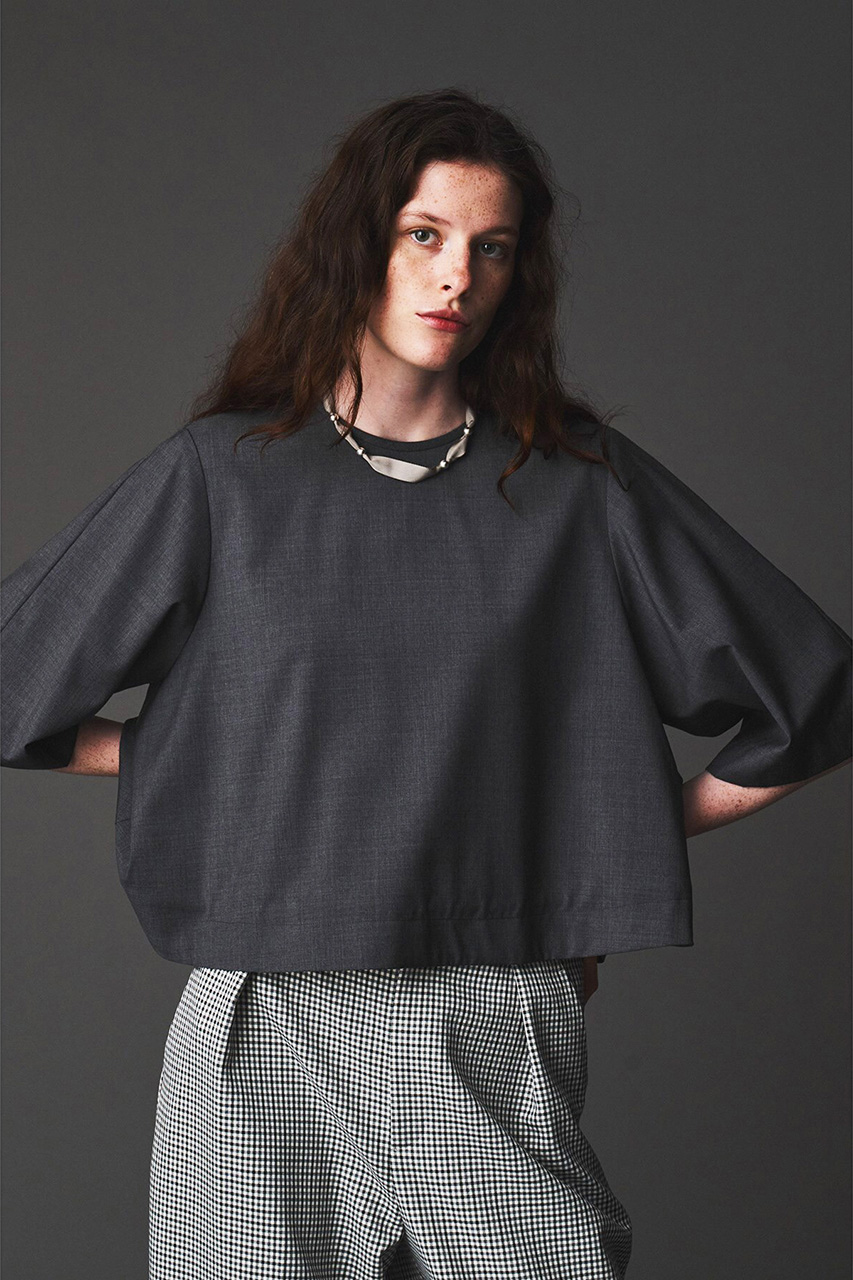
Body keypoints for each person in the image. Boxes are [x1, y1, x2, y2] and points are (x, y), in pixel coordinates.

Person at [2, 86, 850, 1280]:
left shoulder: (575, 485)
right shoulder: (224, 476)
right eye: (425, 233)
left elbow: (813, 696)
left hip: (490, 1009)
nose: (457, 275)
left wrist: (597, 835)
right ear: (359, 241)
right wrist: (182, 749)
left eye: (491, 247)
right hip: (268, 1010)